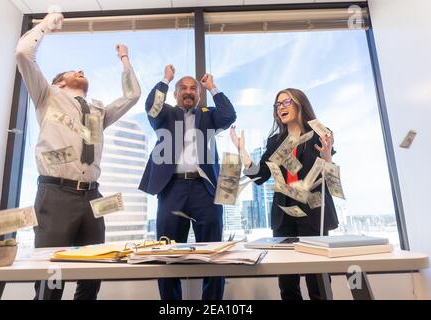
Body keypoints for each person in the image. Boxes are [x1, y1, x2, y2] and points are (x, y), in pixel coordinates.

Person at [15, 12, 141, 300]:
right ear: (59, 83)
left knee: (93, 272)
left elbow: (132, 96)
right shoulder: (47, 95)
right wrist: (46, 24)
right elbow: (23, 53)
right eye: (73, 71)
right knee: (53, 277)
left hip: (93, 197)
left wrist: (124, 59)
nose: (80, 70)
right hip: (56, 194)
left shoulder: (97, 112)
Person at [230, 88, 339, 300]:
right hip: (284, 215)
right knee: (287, 283)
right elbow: (259, 175)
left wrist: (326, 156)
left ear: (300, 104)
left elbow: (330, 179)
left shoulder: (320, 133)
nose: (281, 107)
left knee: (317, 280)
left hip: (313, 213)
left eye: (286, 102)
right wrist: (242, 150)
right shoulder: (275, 142)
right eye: (277, 104)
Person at [139, 65, 236, 300]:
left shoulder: (209, 115)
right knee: (168, 254)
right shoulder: (165, 116)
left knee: (212, 254)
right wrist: (165, 79)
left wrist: (212, 87)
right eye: (183, 87)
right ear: (175, 94)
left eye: (193, 88)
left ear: (199, 94)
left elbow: (229, 115)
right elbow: (152, 106)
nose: (188, 91)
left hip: (206, 190)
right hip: (172, 189)